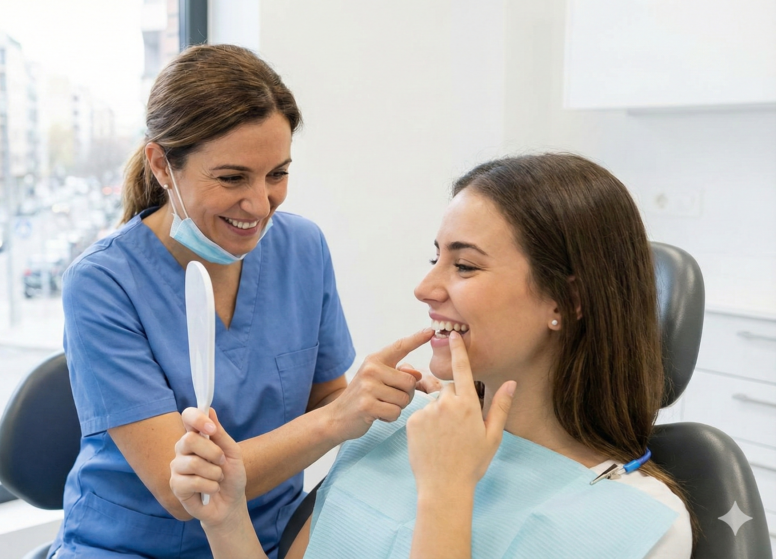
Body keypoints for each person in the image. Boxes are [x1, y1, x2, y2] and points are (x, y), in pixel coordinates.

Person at [170, 154, 694, 559]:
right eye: (434, 257)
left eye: (464, 266)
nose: (424, 287)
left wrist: (446, 492)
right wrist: (227, 517)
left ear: (568, 301)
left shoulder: (642, 522)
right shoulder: (400, 428)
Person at [47, 44, 436, 559]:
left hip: (268, 538)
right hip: (133, 547)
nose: (259, 204)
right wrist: (340, 416)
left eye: (277, 173)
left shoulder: (302, 248)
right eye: (232, 178)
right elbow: (183, 491)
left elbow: (324, 400)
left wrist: (385, 400)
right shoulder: (103, 285)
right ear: (162, 165)